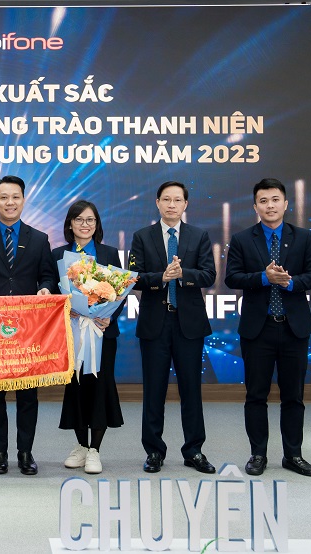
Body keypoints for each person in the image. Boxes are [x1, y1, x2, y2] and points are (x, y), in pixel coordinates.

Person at [225, 178, 311, 477]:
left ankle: (293, 455)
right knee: (256, 395)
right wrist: (264, 278)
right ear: (255, 206)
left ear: (285, 203)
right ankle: (258, 454)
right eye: (264, 201)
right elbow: (232, 278)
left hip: (294, 329)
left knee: (293, 396)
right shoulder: (242, 239)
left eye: (275, 199)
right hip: (258, 330)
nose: (270, 205)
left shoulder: (303, 237)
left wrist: (290, 282)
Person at [0, 175, 56, 475]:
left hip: (28, 330)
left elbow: (47, 276)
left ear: (23, 199)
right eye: (3, 197)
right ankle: (0, 452)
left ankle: (26, 452)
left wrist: (45, 288)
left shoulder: (39, 239)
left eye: (15, 197)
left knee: (28, 394)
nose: (10, 202)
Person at [129, 181, 217, 475]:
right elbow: (133, 278)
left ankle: (194, 450)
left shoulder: (198, 235)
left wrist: (183, 274)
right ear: (157, 203)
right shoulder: (142, 236)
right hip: (155, 323)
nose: (171, 205)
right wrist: (161, 278)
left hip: (188, 324)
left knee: (191, 390)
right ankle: (154, 451)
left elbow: (209, 275)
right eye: (166, 199)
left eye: (177, 200)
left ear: (185, 205)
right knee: (154, 390)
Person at [52, 200, 125, 475]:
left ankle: (95, 450)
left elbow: (120, 292)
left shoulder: (109, 253)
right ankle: (81, 445)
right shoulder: (58, 255)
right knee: (76, 387)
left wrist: (108, 317)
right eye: (79, 220)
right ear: (70, 224)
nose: (85, 225)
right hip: (71, 333)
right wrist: (66, 308)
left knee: (100, 387)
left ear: (97, 224)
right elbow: (52, 290)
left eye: (90, 220)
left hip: (102, 333)